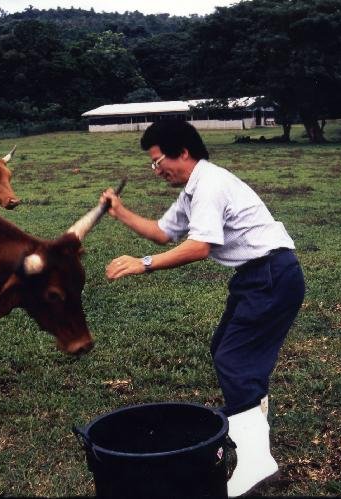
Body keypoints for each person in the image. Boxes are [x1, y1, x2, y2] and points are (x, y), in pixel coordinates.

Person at [100, 120, 305, 497]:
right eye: (152, 164)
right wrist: (120, 212)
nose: (157, 170)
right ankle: (253, 435)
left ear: (183, 152)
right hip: (258, 276)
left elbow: (199, 247)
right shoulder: (193, 191)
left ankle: (258, 464)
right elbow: (164, 232)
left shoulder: (210, 185)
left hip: (271, 274)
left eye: (159, 160)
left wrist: (144, 263)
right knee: (226, 348)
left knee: (234, 359)